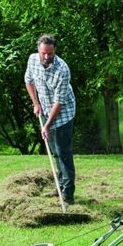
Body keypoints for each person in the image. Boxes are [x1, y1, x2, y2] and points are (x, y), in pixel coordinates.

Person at [24, 35, 77, 204]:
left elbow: (59, 102)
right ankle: (60, 188)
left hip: (63, 114)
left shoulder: (63, 70)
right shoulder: (33, 60)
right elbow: (29, 81)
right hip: (45, 109)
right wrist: (36, 103)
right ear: (39, 51)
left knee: (63, 154)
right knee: (55, 152)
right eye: (44, 53)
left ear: (55, 51)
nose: (46, 57)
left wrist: (46, 126)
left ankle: (68, 195)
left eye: (50, 53)